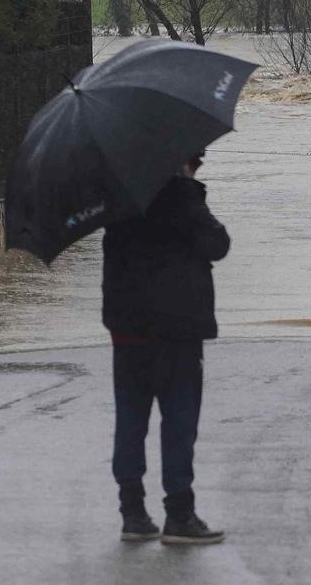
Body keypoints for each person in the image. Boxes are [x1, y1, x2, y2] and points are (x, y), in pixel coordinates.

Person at [101, 150, 230, 544]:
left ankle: (133, 513)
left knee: (130, 421)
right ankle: (180, 515)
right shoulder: (181, 198)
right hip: (176, 334)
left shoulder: (118, 199)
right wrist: (188, 185)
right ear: (182, 160)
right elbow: (218, 244)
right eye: (197, 160)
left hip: (128, 332)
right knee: (179, 423)